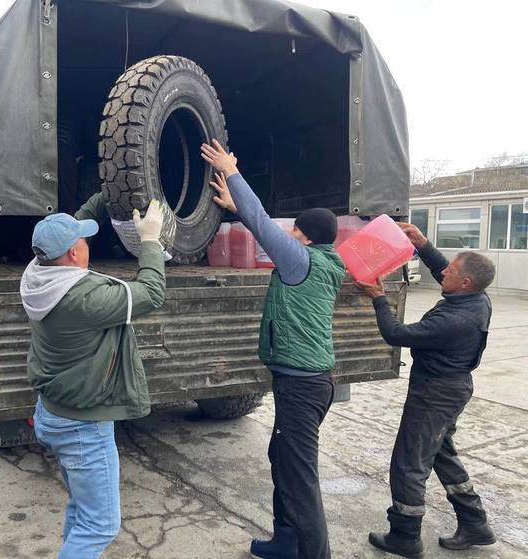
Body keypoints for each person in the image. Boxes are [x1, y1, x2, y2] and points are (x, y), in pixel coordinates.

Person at [201, 139, 345, 559]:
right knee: (281, 457)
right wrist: (237, 208)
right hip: (307, 382)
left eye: (295, 229)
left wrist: (231, 170)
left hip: (302, 387)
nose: (290, 235)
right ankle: (286, 542)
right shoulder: (324, 260)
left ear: (306, 235)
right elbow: (263, 225)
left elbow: (264, 224)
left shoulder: (300, 261)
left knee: (300, 479)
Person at [20, 199, 166, 559]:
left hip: (52, 413)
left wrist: (107, 194)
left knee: (82, 511)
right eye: (83, 241)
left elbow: (74, 225)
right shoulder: (85, 298)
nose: (88, 244)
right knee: (100, 525)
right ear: (73, 253)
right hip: (81, 427)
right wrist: (150, 241)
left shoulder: (36, 274)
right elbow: (152, 293)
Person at [356, 222, 497, 559]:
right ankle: (475, 522)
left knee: (409, 463)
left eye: (452, 269)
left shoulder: (454, 321)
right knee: (440, 453)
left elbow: (396, 334)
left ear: (465, 283)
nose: (443, 270)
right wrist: (424, 244)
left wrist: (379, 298)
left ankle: (405, 536)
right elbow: (444, 272)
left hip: (435, 394)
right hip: (450, 388)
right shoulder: (476, 297)